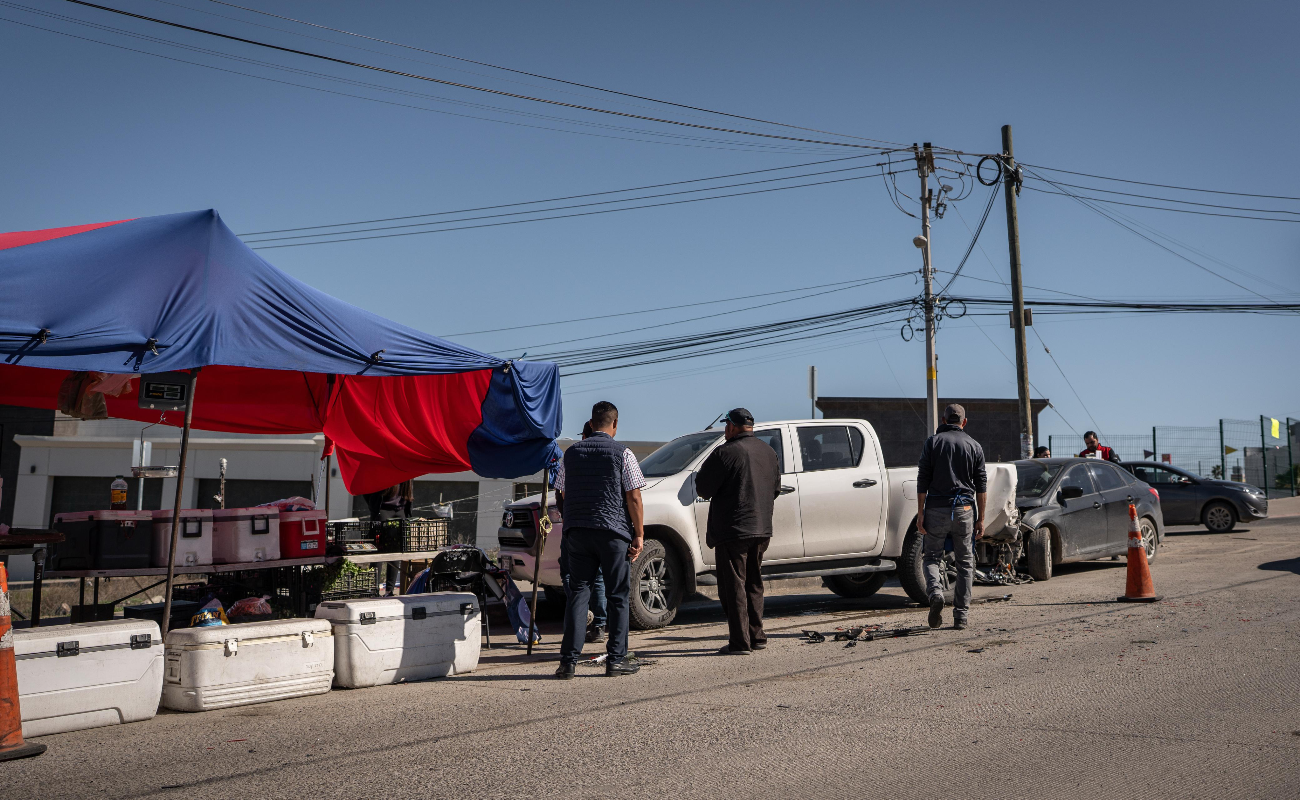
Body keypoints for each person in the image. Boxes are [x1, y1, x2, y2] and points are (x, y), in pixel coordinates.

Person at [553, 401, 646, 679]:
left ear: (591, 424)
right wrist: (639, 534)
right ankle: (616, 660)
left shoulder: (570, 454)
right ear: (614, 425)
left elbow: (563, 492)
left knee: (579, 593)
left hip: (578, 533)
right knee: (617, 596)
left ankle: (567, 663)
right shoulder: (623, 453)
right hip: (613, 533)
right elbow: (634, 497)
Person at [694, 408, 781, 655]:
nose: (725, 430)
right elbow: (775, 489)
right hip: (762, 527)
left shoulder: (725, 452)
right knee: (754, 582)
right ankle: (758, 635)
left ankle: (740, 642)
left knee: (734, 586)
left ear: (731, 427)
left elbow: (703, 489)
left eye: (726, 426)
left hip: (734, 529)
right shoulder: (769, 452)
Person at [916, 404, 987, 631]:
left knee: (931, 558)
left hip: (936, 508)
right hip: (964, 510)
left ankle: (936, 592)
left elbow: (922, 480)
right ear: (964, 422)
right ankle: (961, 616)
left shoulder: (933, 442)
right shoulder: (975, 446)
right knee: (965, 562)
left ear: (944, 419)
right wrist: (981, 519)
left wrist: (920, 514)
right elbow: (981, 486)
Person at [561, 421, 609, 644]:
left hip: (576, 527)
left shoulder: (573, 456)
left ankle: (577, 625)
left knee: (573, 578)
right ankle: (598, 625)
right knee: (598, 578)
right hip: (602, 525)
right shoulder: (613, 454)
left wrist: (567, 516)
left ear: (585, 436)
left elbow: (560, 490)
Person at [364, 481, 413, 596]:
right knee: (378, 551)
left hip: (401, 510)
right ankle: (373, 589)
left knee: (395, 551)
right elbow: (365, 489)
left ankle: (389, 590)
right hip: (383, 509)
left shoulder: (406, 469)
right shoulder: (384, 468)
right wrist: (374, 506)